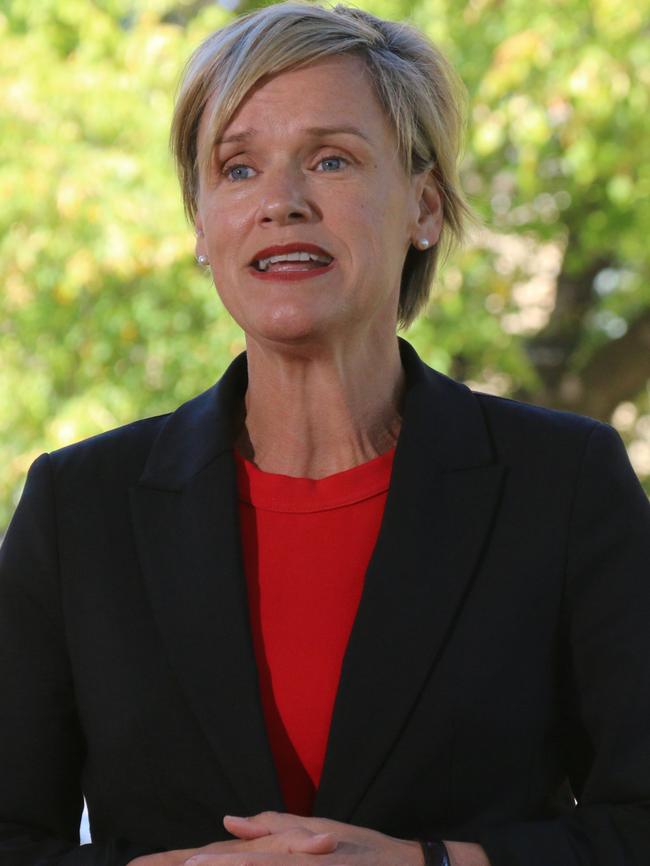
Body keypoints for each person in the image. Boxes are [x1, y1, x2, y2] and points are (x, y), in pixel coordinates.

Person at [1, 3, 649, 866]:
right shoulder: (76, 508)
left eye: (331, 159)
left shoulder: (566, 484)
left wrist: (433, 865)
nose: (282, 202)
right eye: (238, 169)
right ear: (203, 225)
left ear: (425, 206)